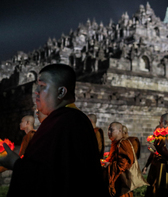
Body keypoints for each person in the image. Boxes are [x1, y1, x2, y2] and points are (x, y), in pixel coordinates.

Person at [0, 64, 108, 197]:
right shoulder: (67, 119)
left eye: (42, 86)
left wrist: (14, 162)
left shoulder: (65, 122)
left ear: (61, 92)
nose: (36, 91)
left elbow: (50, 178)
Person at [144, 114, 168, 197]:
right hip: (157, 165)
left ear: (165, 122)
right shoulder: (163, 135)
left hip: (165, 168)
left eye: (160, 122)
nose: (160, 125)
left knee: (162, 189)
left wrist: (156, 148)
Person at [103, 122, 135, 197]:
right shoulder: (116, 143)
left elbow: (123, 164)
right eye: (108, 130)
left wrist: (109, 165)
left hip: (121, 186)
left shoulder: (123, 143)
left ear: (120, 131)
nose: (108, 132)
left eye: (111, 130)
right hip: (116, 183)